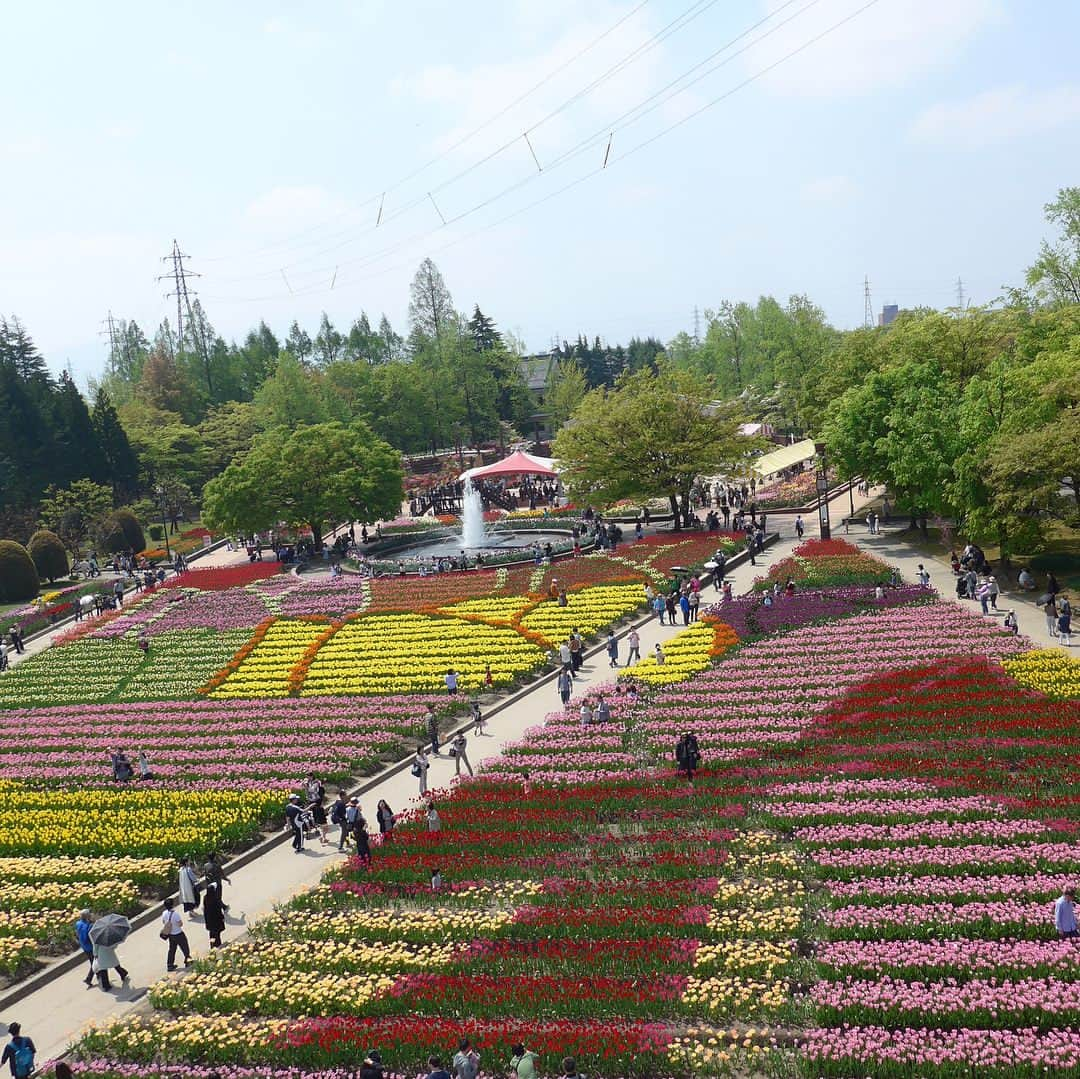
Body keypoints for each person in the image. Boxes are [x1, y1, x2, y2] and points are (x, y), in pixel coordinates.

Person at [161, 898, 191, 971]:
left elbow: (163, 922)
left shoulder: (164, 913)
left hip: (171, 935)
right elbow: (180, 924)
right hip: (178, 933)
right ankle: (188, 961)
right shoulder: (175, 914)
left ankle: (170, 965)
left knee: (172, 950)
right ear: (172, 905)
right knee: (185, 947)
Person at [75, 909, 96, 986]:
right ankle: (89, 978)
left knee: (92, 961)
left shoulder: (78, 924)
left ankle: (98, 975)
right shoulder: (89, 925)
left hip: (84, 946)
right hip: (90, 947)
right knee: (95, 962)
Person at [202, 879, 225, 947]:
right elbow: (218, 910)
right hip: (216, 920)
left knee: (212, 934)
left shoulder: (205, 898)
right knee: (217, 934)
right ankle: (218, 945)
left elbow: (205, 909)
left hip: (209, 920)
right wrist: (222, 917)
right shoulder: (215, 899)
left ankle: (212, 946)